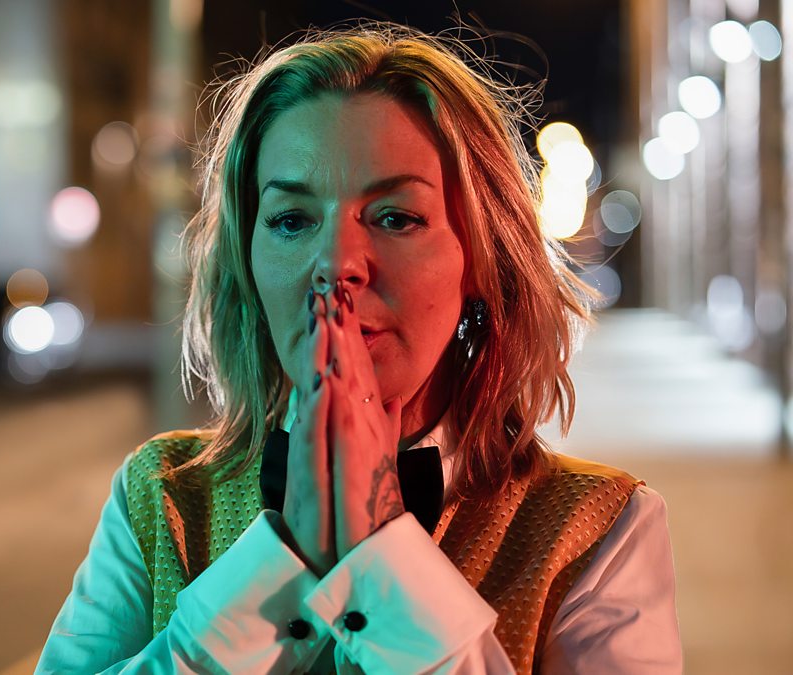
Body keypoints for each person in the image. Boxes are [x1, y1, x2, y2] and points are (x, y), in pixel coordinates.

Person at [37, 24, 681, 674]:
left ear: (483, 260)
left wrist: (380, 557)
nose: (337, 263)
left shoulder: (595, 529)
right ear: (248, 262)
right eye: (292, 220)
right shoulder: (162, 497)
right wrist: (275, 573)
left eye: (396, 217)